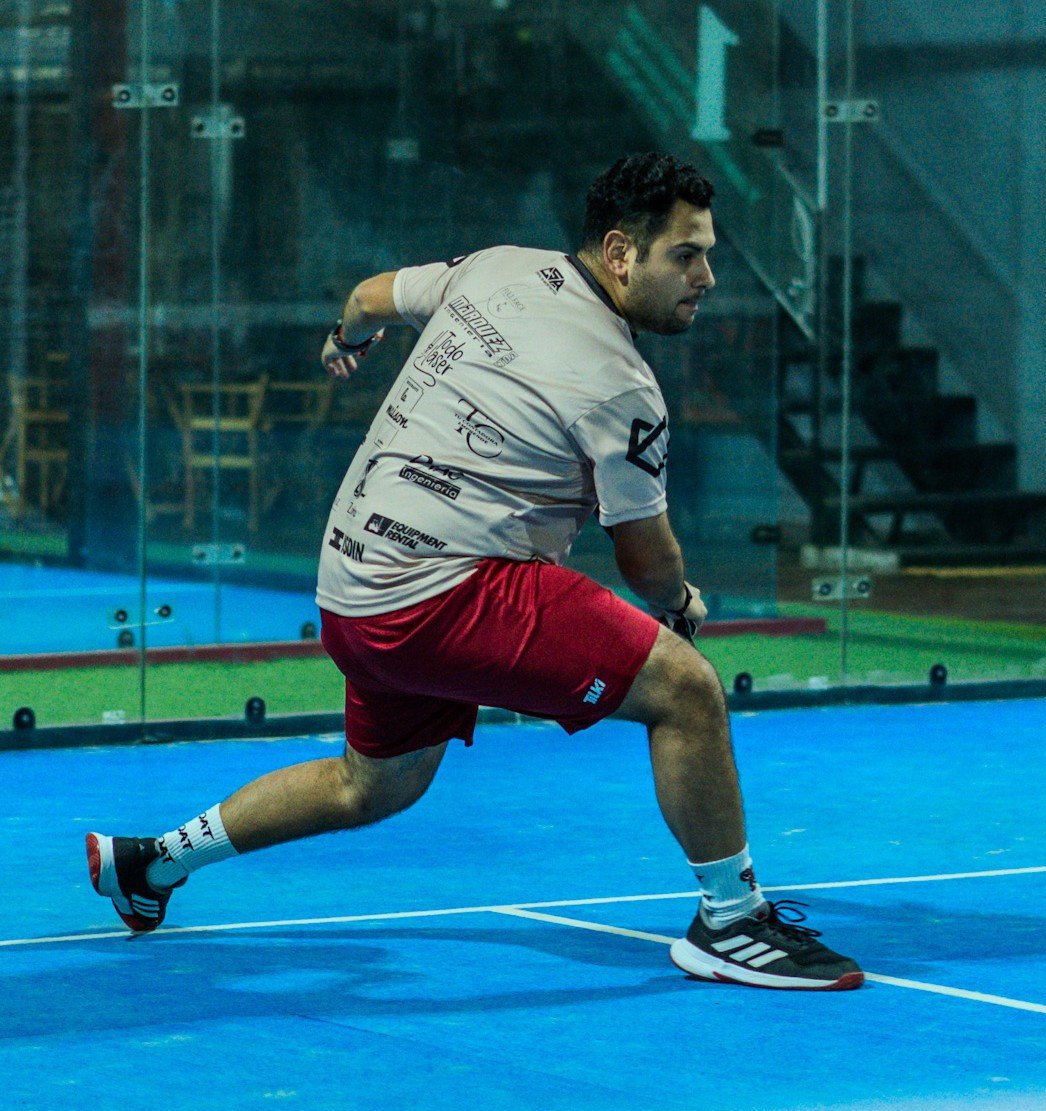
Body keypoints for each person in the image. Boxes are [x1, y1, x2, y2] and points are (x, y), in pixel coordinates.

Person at [86, 153, 863, 991]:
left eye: (707, 254)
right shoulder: (620, 386)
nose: (705, 277)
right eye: (685, 255)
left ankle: (150, 862)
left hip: (351, 590)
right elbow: (645, 558)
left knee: (370, 787)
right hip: (439, 592)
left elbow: (367, 298)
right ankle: (732, 923)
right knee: (685, 690)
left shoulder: (494, 267)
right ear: (618, 252)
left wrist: (348, 341)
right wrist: (678, 602)